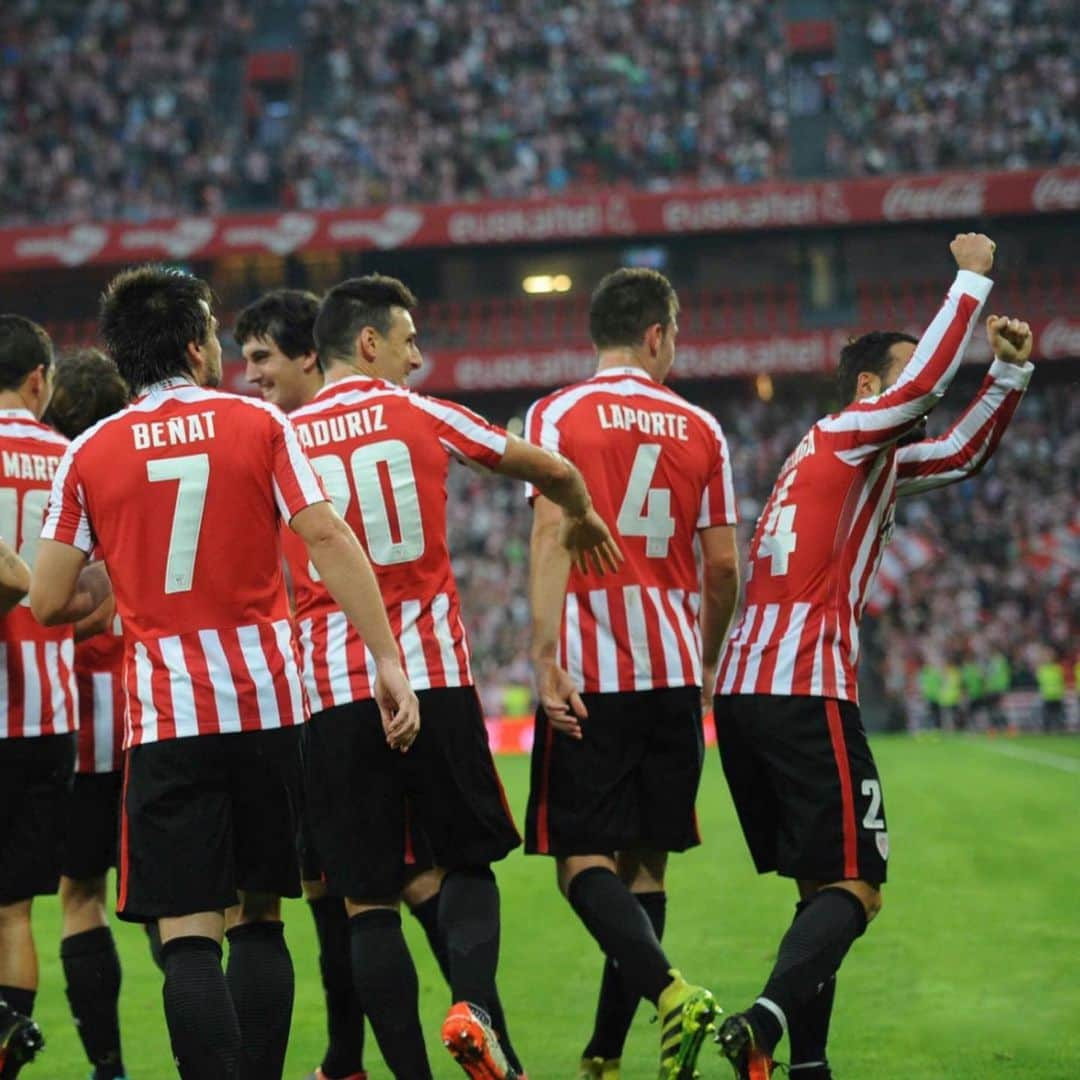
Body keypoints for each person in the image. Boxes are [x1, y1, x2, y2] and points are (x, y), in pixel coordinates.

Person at [30, 265, 420, 1080]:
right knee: (262, 918)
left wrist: (119, 579)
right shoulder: (257, 424)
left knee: (187, 932)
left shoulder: (90, 453)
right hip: (271, 707)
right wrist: (387, 659)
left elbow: (47, 600)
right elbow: (326, 536)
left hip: (168, 718)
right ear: (195, 342)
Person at [712, 234, 1034, 1079]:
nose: (918, 397)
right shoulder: (855, 431)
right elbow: (925, 384)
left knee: (821, 891)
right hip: (802, 685)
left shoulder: (847, 458)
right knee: (860, 889)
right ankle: (763, 1022)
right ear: (867, 387)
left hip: (747, 691)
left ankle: (807, 1067)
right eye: (900, 376)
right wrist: (971, 279)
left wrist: (1006, 375)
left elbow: (961, 452)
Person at [289, 273, 619, 1080]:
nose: (416, 357)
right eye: (407, 343)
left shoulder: (281, 436)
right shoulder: (422, 413)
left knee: (366, 898)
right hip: (430, 671)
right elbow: (547, 465)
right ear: (368, 344)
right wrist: (579, 510)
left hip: (333, 686)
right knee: (465, 861)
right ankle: (471, 1002)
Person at [523, 267, 740, 1080]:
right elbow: (721, 566)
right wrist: (707, 654)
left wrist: (543, 657)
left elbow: (550, 537)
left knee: (579, 862)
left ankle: (670, 993)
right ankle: (604, 1056)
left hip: (593, 670)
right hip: (673, 673)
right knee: (646, 865)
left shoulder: (558, 413)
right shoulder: (702, 428)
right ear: (657, 334)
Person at [43, 348, 132, 1080]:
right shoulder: (129, 470)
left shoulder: (61, 479)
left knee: (80, 897)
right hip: (155, 711)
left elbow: (50, 608)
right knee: (189, 904)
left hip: (75, 719)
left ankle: (108, 1067)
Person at [0, 315, 74, 1074]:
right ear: (37, 380)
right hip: (45, 712)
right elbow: (97, 590)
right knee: (12, 909)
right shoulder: (67, 457)